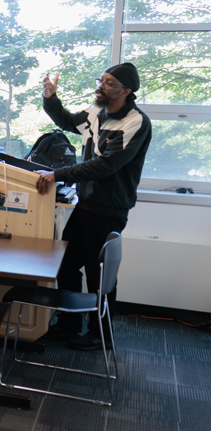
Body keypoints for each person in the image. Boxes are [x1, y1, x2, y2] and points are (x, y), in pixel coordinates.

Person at [36, 64, 152, 351]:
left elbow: (107, 165)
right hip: (86, 204)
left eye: (109, 83)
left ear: (125, 91)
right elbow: (66, 121)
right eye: (101, 80)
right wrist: (51, 98)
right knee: (66, 264)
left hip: (109, 208)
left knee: (98, 275)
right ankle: (68, 324)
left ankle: (101, 335)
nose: (101, 85)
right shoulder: (95, 112)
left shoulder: (135, 121)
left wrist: (58, 175)